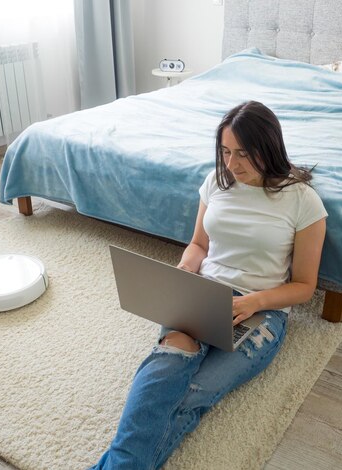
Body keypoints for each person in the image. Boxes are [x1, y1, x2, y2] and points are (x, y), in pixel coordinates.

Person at [91, 101, 328, 469]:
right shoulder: (215, 183)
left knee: (193, 391)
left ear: (269, 148)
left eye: (244, 154)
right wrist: (185, 271)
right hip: (203, 294)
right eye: (225, 152)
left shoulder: (303, 201)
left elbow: (304, 286)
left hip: (261, 311)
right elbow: (199, 245)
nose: (232, 165)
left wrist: (254, 301)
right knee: (167, 369)